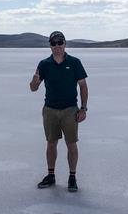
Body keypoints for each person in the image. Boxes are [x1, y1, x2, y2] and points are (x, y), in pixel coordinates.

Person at [29, 30, 88, 192]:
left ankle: (72, 177)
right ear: (50, 45)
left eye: (60, 43)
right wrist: (34, 82)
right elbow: (34, 88)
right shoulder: (44, 64)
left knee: (71, 144)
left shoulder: (75, 62)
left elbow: (83, 86)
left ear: (65, 44)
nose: (57, 46)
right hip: (50, 110)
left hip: (70, 110)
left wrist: (83, 108)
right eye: (53, 43)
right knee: (51, 143)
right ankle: (51, 175)